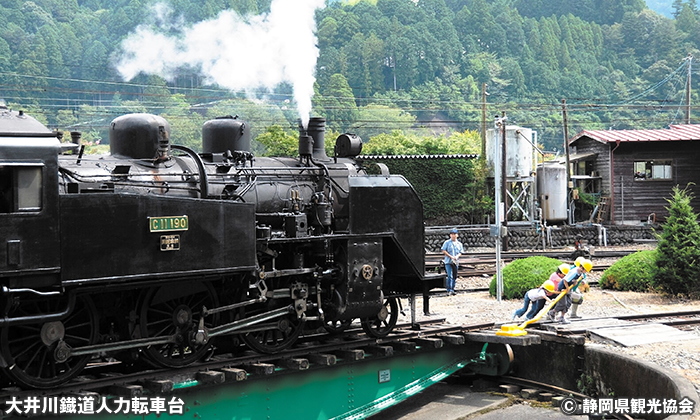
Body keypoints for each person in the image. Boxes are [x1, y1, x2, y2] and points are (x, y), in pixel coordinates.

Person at [552, 258, 593, 324]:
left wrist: (575, 282)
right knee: (563, 303)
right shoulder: (574, 272)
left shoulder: (580, 273)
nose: (586, 272)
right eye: (586, 270)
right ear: (583, 268)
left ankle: (562, 317)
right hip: (563, 287)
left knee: (568, 303)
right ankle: (552, 312)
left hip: (569, 287)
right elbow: (565, 280)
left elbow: (574, 280)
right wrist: (567, 289)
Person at [441, 228, 464, 296]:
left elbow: (461, 252)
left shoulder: (459, 244)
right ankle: (448, 289)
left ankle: (452, 289)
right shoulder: (447, 242)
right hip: (448, 261)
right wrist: (450, 256)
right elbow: (443, 250)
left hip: (455, 261)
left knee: (454, 275)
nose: (453, 235)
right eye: (452, 234)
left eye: (454, 234)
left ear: (457, 235)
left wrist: (457, 256)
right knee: (449, 275)